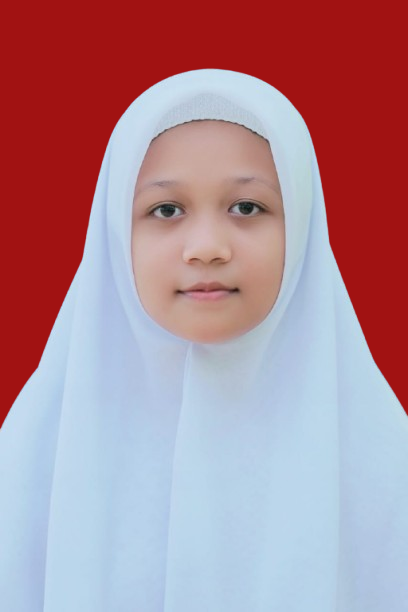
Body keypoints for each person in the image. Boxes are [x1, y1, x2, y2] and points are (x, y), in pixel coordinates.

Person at [0, 69, 407, 611]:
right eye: (166, 210)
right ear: (115, 232)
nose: (207, 247)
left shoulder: (383, 460)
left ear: (303, 226)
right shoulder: (33, 455)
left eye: (247, 207)